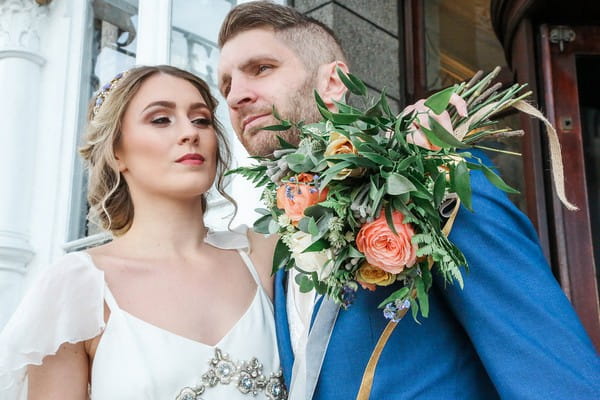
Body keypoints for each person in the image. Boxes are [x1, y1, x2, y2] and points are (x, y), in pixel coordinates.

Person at [217, 2, 600, 399]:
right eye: (225, 85)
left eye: (261, 69)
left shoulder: (437, 179)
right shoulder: (285, 239)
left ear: (333, 83)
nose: (235, 96)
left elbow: (554, 375)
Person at [0, 65, 287, 400]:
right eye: (161, 119)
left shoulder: (262, 253)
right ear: (117, 152)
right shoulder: (77, 286)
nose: (189, 133)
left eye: (202, 120)